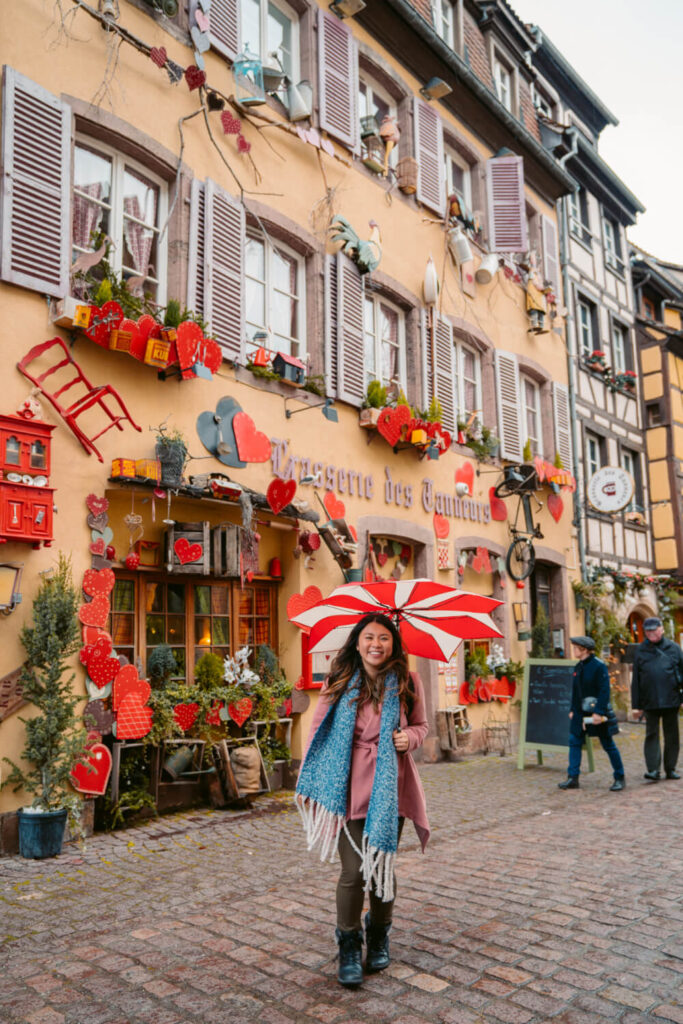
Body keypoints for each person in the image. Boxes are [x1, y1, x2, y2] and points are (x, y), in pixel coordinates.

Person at [295, 613, 429, 989]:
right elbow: (317, 733)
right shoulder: (338, 682)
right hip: (346, 787)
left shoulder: (408, 682)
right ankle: (350, 944)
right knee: (354, 871)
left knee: (382, 865)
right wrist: (313, 780)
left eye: (384, 638)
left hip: (391, 787)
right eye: (369, 637)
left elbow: (422, 726)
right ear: (357, 642)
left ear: (394, 645)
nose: (376, 644)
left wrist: (410, 740)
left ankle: (380, 933)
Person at [558, 636, 625, 791]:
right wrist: (573, 711)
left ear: (585, 650)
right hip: (580, 713)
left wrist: (598, 712)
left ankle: (619, 777)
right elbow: (576, 692)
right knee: (574, 742)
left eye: (576, 647)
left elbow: (604, 691)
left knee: (608, 744)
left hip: (597, 713)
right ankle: (572, 778)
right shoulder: (578, 667)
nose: (573, 650)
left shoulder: (598, 666)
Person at [631, 616, 682, 782]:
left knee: (672, 735)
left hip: (671, 699)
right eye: (648, 631)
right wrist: (636, 706)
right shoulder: (640, 650)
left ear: (662, 629)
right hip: (649, 700)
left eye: (654, 630)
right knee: (651, 735)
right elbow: (636, 681)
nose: (651, 633)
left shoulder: (674, 648)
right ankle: (653, 770)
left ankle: (670, 768)